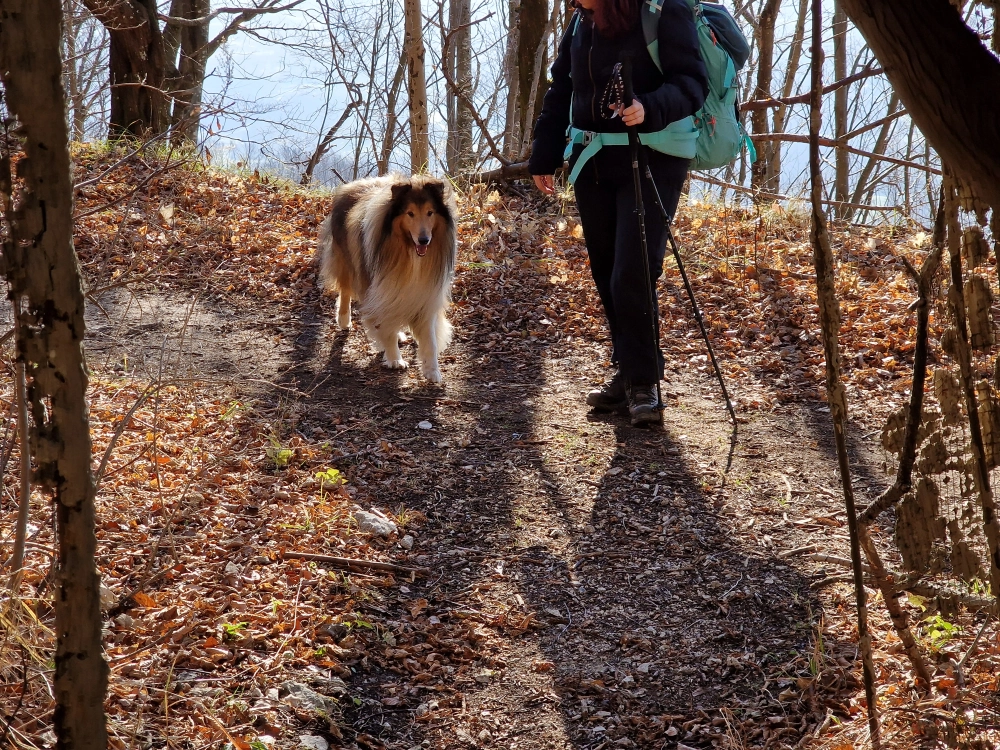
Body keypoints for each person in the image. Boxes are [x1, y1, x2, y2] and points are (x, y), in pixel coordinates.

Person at [529, 0, 708, 426]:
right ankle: (629, 372)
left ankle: (644, 385)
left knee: (634, 269)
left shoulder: (663, 9)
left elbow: (692, 82)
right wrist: (544, 153)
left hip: (653, 155)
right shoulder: (581, 21)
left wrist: (649, 107)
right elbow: (562, 87)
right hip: (592, 158)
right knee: (607, 270)